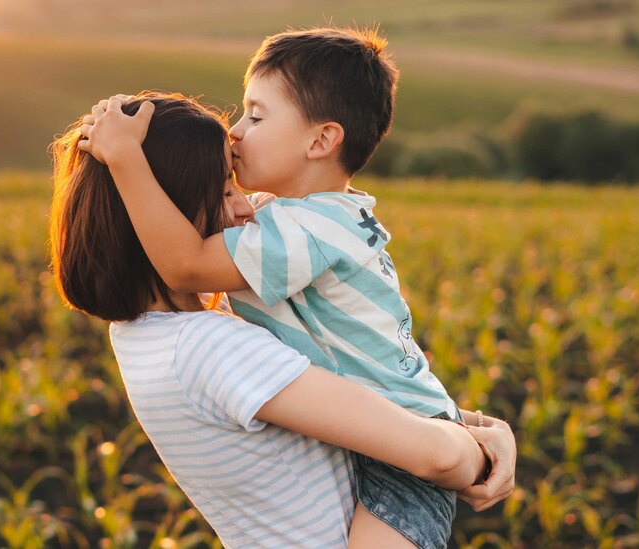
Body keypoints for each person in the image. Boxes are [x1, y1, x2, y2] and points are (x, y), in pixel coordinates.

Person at [78, 27, 503, 548]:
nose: (235, 133)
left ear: (322, 140)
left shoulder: (305, 232)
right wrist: (476, 439)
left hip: (405, 464)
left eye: (256, 115)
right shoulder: (287, 223)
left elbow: (185, 265)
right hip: (409, 434)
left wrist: (125, 161)